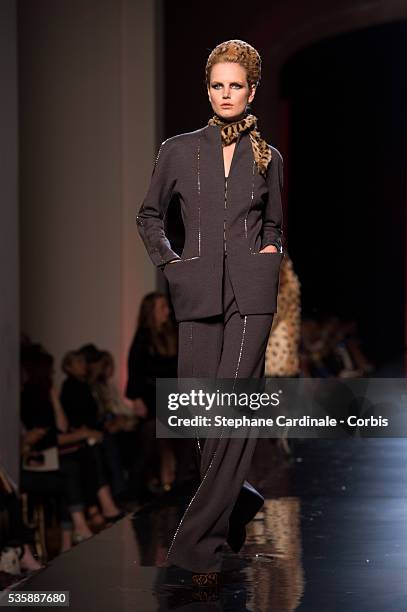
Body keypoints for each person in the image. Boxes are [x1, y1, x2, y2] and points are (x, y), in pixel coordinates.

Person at [136, 39, 284, 585]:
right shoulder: (179, 149)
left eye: (236, 86)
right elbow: (149, 214)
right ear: (208, 89)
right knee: (204, 412)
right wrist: (172, 262)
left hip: (251, 296)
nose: (227, 94)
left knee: (232, 405)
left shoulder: (269, 157)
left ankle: (198, 544)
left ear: (251, 91)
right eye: (218, 85)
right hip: (195, 291)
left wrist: (271, 252)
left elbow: (275, 225)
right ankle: (236, 499)